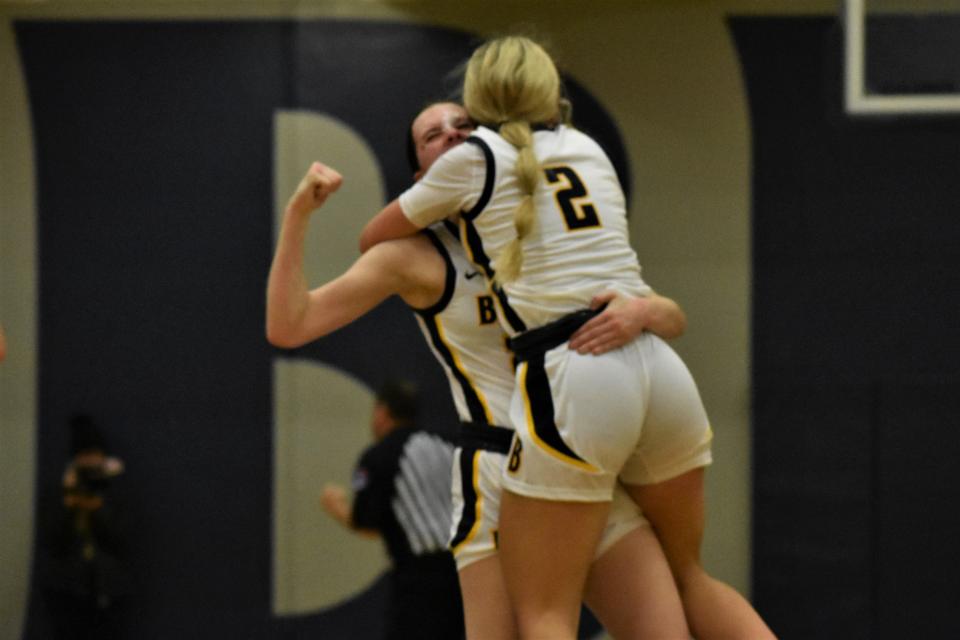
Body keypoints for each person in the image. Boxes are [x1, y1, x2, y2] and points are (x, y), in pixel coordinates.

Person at [358, 37, 775, 640]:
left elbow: (375, 234)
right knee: (691, 576)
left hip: (578, 372)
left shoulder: (473, 159)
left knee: (546, 613)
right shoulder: (588, 147)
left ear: (478, 103)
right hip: (658, 367)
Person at [267, 102, 690, 638]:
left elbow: (671, 315)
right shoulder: (415, 256)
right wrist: (297, 215)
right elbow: (290, 325)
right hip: (497, 463)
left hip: (571, 450)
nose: (452, 136)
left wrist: (644, 312)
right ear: (423, 176)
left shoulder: (539, 226)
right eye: (433, 135)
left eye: (464, 126)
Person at [320, 379, 464, 640]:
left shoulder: (379, 457)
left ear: (382, 412)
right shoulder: (447, 444)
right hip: (465, 572)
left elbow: (366, 525)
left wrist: (336, 507)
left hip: (418, 581)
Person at [40, 414, 129, 640]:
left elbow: (121, 538)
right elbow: (51, 541)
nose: (89, 463)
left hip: (107, 589)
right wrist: (69, 502)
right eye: (84, 456)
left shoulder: (116, 491)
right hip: (66, 590)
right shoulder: (59, 492)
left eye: (94, 455)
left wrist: (98, 507)